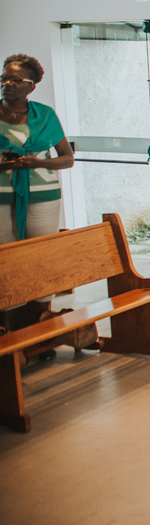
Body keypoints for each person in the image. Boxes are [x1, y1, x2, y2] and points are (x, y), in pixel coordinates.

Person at [1, 53, 78, 340]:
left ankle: (41, 328)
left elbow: (67, 158)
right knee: (6, 261)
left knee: (41, 259)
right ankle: (8, 330)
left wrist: (37, 162)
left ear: (31, 86)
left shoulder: (45, 115)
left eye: (15, 80)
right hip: (1, 197)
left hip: (43, 196)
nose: (7, 84)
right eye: (4, 78)